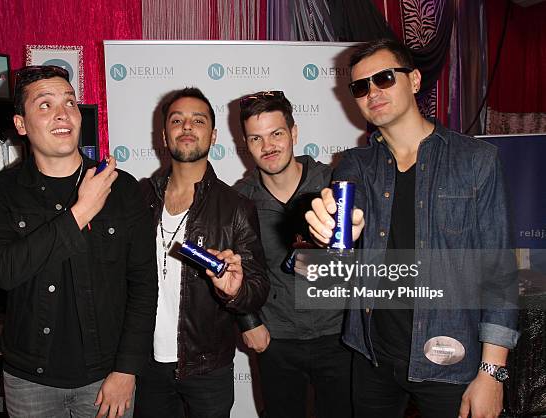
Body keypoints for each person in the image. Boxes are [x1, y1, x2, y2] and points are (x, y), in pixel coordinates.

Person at [305, 39, 518, 418]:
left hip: (450, 359)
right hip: (372, 354)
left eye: (384, 78)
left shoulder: (476, 161)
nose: (372, 92)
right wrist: (332, 238)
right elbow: (343, 239)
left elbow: (498, 273)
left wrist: (492, 373)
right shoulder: (354, 165)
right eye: (360, 86)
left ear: (415, 80)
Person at [0, 65, 158, 418]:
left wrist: (127, 369)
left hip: (106, 376)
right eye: (45, 105)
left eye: (70, 102)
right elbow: (4, 271)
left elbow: (144, 285)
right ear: (21, 124)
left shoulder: (122, 188)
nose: (63, 114)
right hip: (30, 381)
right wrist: (81, 211)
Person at [135, 87, 269, 418]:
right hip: (145, 364)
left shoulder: (236, 207)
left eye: (198, 120)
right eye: (177, 120)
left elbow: (257, 286)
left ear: (213, 134)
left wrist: (236, 291)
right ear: (164, 136)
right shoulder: (139, 198)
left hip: (207, 367)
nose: (187, 127)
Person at [233, 90, 352, 418]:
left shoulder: (335, 183)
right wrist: (249, 322)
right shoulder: (240, 201)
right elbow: (232, 272)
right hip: (277, 341)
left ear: (294, 133)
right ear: (245, 143)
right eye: (256, 138)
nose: (267, 146)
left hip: (339, 336)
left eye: (276, 134)